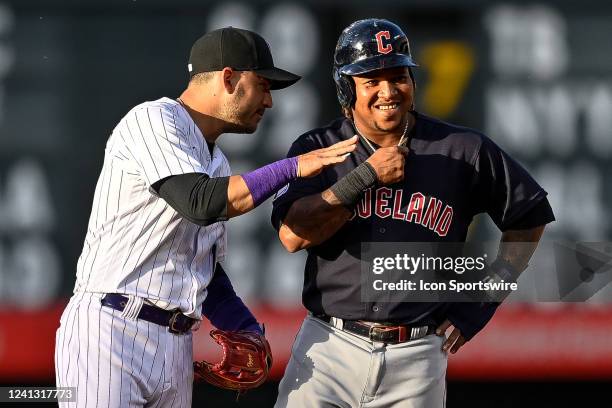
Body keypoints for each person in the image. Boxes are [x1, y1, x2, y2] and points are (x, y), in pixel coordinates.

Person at [54, 27, 357, 407]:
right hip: (112, 330)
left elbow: (204, 268)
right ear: (229, 78)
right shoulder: (152, 119)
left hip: (176, 343)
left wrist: (245, 328)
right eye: (263, 85)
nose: (270, 101)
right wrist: (293, 167)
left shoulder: (217, 161)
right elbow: (200, 202)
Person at [271, 18, 555, 407]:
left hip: (417, 356)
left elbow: (529, 217)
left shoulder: (462, 149)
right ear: (345, 87)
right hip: (327, 349)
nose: (388, 91)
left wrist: (482, 300)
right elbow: (293, 235)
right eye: (371, 80)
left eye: (399, 76)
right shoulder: (319, 148)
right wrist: (365, 176)